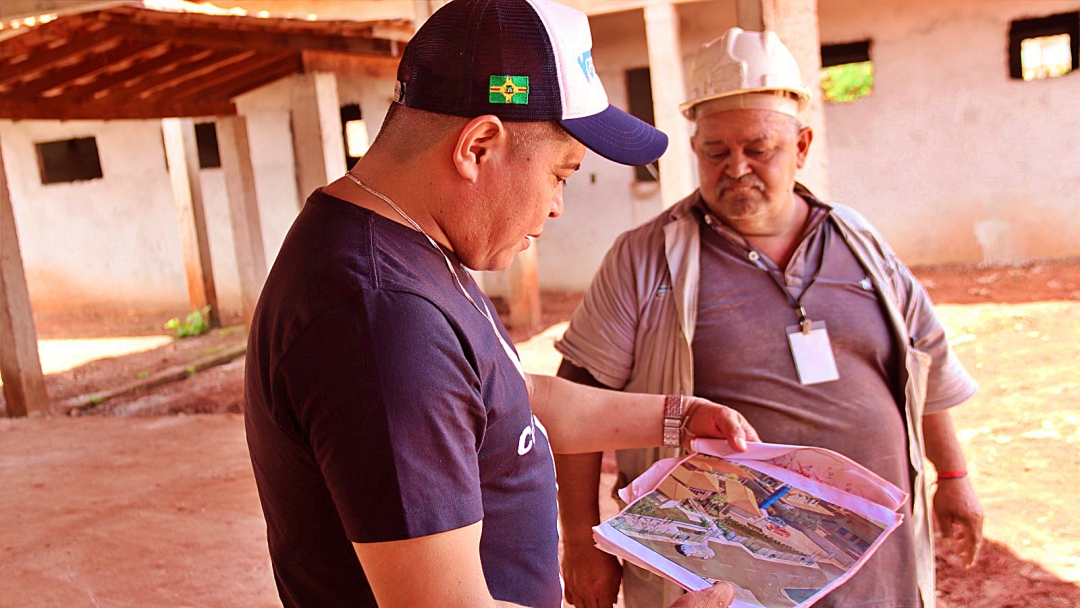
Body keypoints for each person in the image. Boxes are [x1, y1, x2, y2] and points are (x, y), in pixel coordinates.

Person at [243, 1, 761, 607]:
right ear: (480, 146)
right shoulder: (383, 320)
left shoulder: (408, 247)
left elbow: (507, 399)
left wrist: (676, 416)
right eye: (561, 175)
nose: (557, 207)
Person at [554, 27, 985, 608]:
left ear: (802, 146)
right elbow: (579, 400)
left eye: (759, 149)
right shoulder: (645, 257)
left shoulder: (859, 241)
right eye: (715, 151)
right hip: (727, 577)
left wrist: (953, 477)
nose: (736, 168)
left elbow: (924, 364)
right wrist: (582, 543)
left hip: (875, 565)